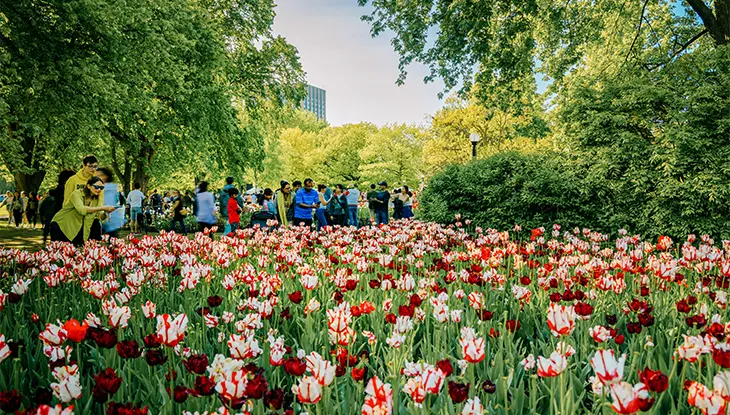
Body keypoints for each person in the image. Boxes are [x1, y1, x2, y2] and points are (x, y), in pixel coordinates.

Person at [50, 176, 116, 246]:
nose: (99, 189)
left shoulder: (97, 199)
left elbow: (100, 216)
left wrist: (106, 213)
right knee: (59, 252)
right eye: (96, 187)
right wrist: (103, 207)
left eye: (101, 188)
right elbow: (81, 210)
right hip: (61, 225)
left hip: (78, 228)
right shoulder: (76, 194)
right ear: (88, 186)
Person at [96, 167, 124, 238]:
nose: (98, 177)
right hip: (104, 222)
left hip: (109, 222)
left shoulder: (109, 189)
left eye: (101, 175)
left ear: (106, 177)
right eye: (96, 175)